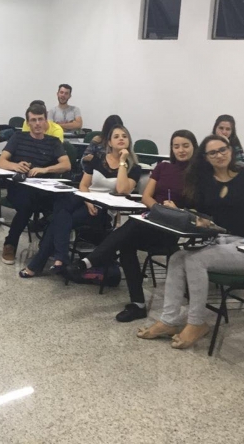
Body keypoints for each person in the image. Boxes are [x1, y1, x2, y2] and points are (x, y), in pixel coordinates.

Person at [137, 134, 244, 349]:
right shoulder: (205, 181)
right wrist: (188, 215)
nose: (219, 155)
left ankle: (196, 323)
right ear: (206, 157)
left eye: (223, 149)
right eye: (212, 152)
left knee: (195, 260)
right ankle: (169, 321)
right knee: (178, 258)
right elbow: (202, 214)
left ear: (230, 150)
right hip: (216, 241)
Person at [65, 130, 198, 321]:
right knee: (127, 242)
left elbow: (197, 209)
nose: (181, 150)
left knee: (131, 227)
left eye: (185, 146)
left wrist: (175, 211)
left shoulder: (198, 175)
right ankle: (138, 304)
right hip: (153, 218)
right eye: (176, 146)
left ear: (194, 147)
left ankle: (88, 262)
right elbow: (146, 197)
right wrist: (160, 210)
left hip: (171, 228)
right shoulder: (163, 167)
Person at [20, 125, 141, 278]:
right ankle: (59, 258)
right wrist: (88, 201)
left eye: (124, 136)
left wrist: (123, 161)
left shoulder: (134, 168)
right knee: (62, 204)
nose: (121, 139)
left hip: (103, 210)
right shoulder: (97, 160)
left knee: (58, 218)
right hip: (86, 200)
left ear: (129, 141)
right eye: (116, 136)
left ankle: (45, 262)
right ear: (109, 142)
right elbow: (83, 185)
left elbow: (122, 189)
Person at [0, 103, 71, 265]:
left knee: (63, 206)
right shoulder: (18, 137)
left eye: (40, 119)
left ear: (46, 121)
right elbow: (1, 161)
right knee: (27, 205)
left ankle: (48, 246)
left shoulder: (53, 142)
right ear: (28, 122)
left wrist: (45, 169)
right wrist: (15, 166)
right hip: (20, 187)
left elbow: (66, 165)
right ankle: (10, 244)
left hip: (44, 189)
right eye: (33, 120)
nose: (37, 123)